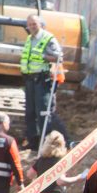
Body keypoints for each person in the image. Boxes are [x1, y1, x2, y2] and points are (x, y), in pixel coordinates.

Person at [21, 14, 67, 147]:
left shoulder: (47, 38)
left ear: (40, 24)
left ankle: (45, 141)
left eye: (34, 24)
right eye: (29, 25)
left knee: (43, 112)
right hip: (29, 80)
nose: (31, 27)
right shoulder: (29, 38)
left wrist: (44, 56)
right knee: (30, 112)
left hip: (42, 80)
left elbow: (59, 58)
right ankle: (33, 142)